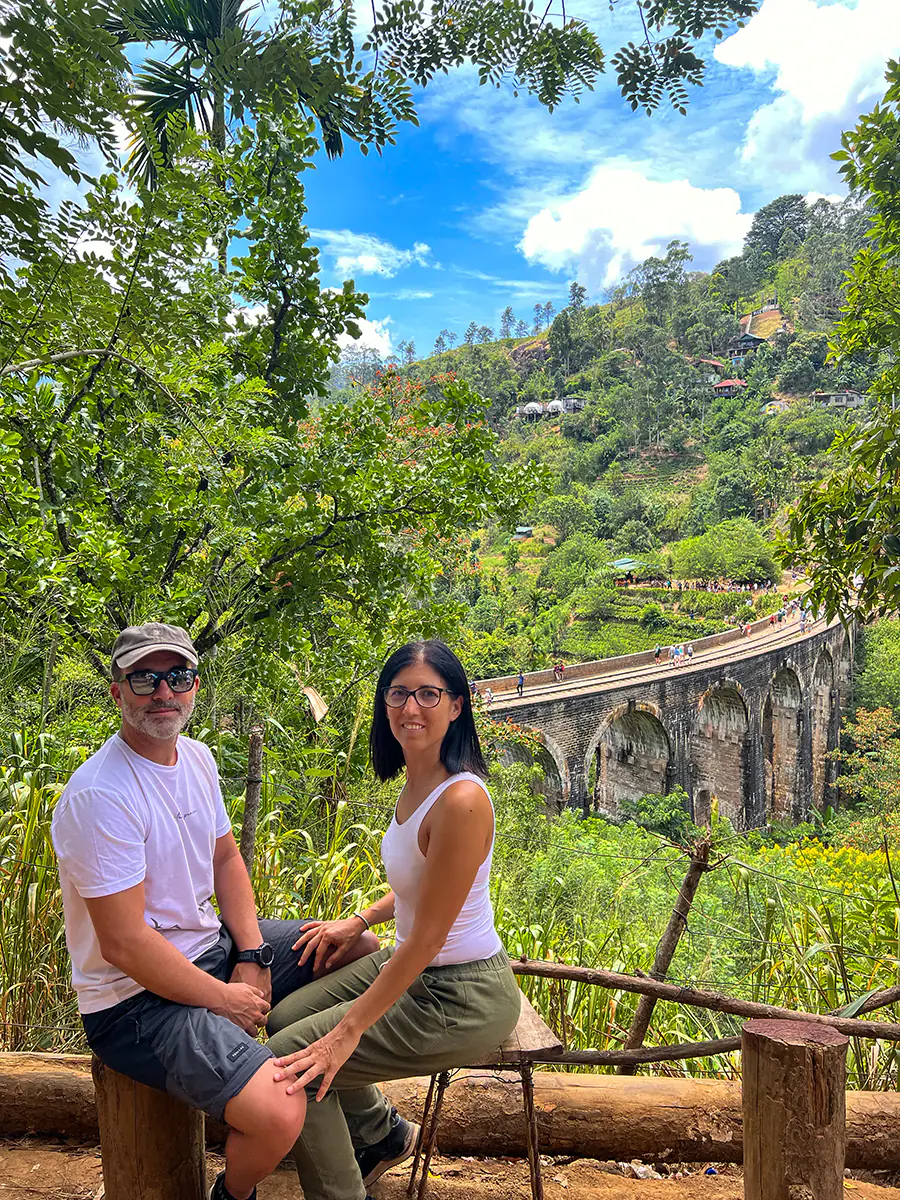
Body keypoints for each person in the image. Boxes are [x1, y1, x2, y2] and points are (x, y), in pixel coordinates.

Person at [51, 623, 378, 1200]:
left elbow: (226, 858)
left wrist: (252, 955)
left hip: (211, 949)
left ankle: (336, 1100)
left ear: (195, 685)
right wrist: (225, 998)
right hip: (134, 1003)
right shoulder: (101, 795)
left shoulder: (196, 759)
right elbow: (124, 944)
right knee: (281, 1111)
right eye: (144, 679)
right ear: (117, 690)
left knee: (350, 947)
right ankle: (235, 1193)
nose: (163, 693)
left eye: (177, 677)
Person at [265, 641, 521, 1200]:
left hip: (462, 992)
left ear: (457, 706)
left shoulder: (461, 801)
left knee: (292, 1070)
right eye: (400, 693)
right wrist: (358, 921)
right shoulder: (417, 783)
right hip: (416, 966)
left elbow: (429, 937)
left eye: (429, 694)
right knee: (285, 1014)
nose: (412, 707)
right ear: (385, 705)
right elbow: (418, 887)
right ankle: (381, 1135)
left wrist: (344, 1035)